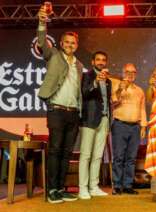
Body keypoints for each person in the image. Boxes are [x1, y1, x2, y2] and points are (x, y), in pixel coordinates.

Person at [37, 5, 83, 204]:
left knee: (66, 152)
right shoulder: (54, 55)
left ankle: (61, 188)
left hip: (73, 113)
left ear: (76, 45)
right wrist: (41, 21)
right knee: (55, 150)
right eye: (67, 42)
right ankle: (52, 190)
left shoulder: (79, 65)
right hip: (56, 110)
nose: (70, 45)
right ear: (62, 43)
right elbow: (41, 41)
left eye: (73, 43)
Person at [78, 51, 112, 199]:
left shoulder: (109, 81)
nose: (101, 62)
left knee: (98, 156)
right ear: (92, 62)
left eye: (103, 60)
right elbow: (84, 93)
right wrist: (95, 82)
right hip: (89, 119)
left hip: (104, 120)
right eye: (98, 60)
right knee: (86, 155)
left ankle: (94, 186)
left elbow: (106, 101)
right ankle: (82, 188)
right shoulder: (87, 76)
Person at [110, 63, 147, 195]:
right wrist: (120, 90)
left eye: (133, 72)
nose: (130, 74)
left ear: (135, 74)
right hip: (120, 125)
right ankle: (117, 185)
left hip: (135, 127)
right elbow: (113, 102)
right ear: (123, 72)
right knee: (119, 157)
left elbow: (142, 109)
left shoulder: (140, 90)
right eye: (127, 71)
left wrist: (143, 126)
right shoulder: (117, 86)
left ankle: (127, 185)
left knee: (131, 158)